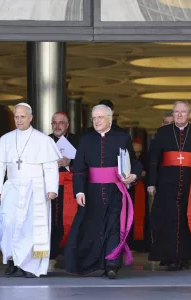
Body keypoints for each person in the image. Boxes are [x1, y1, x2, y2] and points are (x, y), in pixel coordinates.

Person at [65, 104, 143, 279]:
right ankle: (91, 263)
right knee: (92, 227)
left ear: (109, 118)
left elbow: (134, 162)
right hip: (91, 192)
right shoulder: (85, 140)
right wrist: (79, 191)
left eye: (100, 117)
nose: (96, 121)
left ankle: (112, 264)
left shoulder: (122, 137)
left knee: (114, 227)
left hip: (115, 190)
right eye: (94, 118)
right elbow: (79, 169)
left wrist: (133, 175)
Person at [0, 103, 61, 278]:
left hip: (36, 189)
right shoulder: (6, 139)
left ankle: (31, 266)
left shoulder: (43, 140)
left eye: (22, 117)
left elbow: (51, 167)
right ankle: (12, 260)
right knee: (8, 224)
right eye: (16, 117)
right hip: (12, 187)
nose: (19, 120)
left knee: (31, 228)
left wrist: (52, 188)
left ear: (30, 117)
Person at [147, 101, 191, 271]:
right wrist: (151, 183)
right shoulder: (163, 132)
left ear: (189, 114)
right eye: (176, 112)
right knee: (170, 220)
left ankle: (185, 256)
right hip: (166, 184)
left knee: (187, 219)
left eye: (183, 112)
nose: (179, 115)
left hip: (190, 184)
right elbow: (153, 160)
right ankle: (171, 258)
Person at [48, 112, 79, 269]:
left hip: (70, 187)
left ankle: (69, 253)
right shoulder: (45, 140)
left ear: (67, 125)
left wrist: (70, 161)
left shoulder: (77, 140)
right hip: (51, 187)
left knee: (70, 220)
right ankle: (51, 252)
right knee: (51, 220)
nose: (57, 126)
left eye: (61, 123)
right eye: (54, 123)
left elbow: (85, 162)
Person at [129, 138, 150, 252]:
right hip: (129, 193)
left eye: (139, 152)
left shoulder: (144, 160)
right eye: (135, 152)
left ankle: (141, 244)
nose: (137, 154)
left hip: (141, 191)